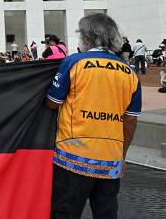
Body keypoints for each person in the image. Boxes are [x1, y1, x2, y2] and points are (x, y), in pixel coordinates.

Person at [45, 13, 140, 218]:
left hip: (72, 156)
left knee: (64, 213)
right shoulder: (129, 72)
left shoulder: (74, 62)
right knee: (106, 214)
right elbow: (130, 120)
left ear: (86, 37)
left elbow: (52, 103)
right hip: (110, 159)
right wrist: (122, 157)